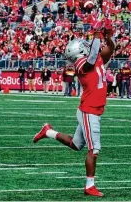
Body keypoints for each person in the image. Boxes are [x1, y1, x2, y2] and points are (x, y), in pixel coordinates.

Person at [33, 18, 115, 197]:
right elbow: (92, 56)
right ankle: (89, 186)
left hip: (93, 109)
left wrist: (108, 36)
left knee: (76, 144)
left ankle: (48, 132)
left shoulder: (93, 58)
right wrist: (96, 33)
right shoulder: (80, 64)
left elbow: (109, 51)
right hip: (89, 111)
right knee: (94, 150)